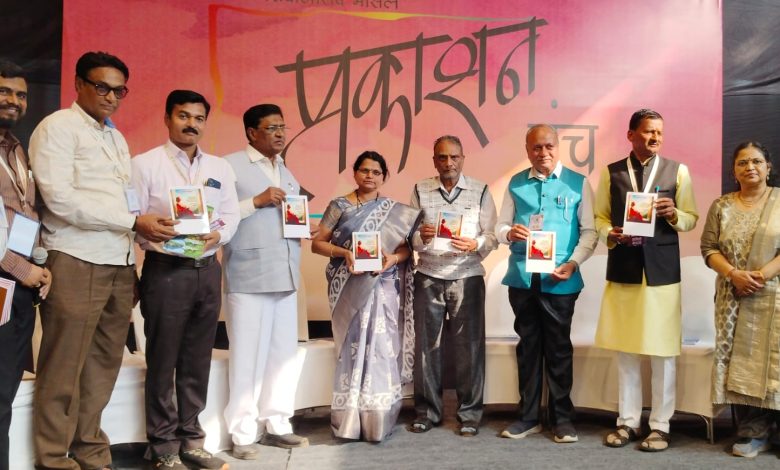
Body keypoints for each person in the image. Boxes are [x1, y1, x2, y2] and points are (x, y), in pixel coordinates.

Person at [29, 51, 177, 470]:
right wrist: (133, 222)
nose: (111, 97)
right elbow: (59, 199)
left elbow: (126, 202)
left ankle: (91, 449)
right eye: (102, 87)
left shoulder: (115, 137)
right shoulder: (58, 127)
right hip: (76, 257)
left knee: (103, 365)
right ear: (79, 84)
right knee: (64, 365)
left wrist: (136, 247)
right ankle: (53, 458)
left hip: (118, 261)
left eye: (119, 90)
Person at [131, 90, 239, 470]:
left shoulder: (219, 167)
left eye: (198, 118)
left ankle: (192, 439)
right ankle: (163, 446)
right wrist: (147, 229)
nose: (191, 124)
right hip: (166, 271)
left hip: (207, 270)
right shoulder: (144, 164)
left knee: (197, 360)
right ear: (167, 118)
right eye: (183, 116)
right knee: (162, 361)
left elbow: (230, 215)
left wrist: (218, 235)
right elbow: (133, 217)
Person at [595, 109, 698, 452]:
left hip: (662, 273)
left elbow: (691, 217)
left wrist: (675, 214)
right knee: (627, 351)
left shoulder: (677, 171)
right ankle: (627, 422)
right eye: (648, 131)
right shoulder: (611, 173)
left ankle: (660, 425)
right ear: (631, 134)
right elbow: (599, 218)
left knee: (662, 352)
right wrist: (610, 233)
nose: (655, 138)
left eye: (659, 133)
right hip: (624, 269)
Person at [496, 124, 597, 443]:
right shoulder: (516, 183)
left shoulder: (578, 183)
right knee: (528, 348)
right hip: (523, 277)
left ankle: (562, 419)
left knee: (558, 348)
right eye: (536, 147)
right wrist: (508, 233)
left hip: (560, 280)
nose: (543, 153)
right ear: (527, 151)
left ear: (558, 146)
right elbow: (500, 226)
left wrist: (573, 263)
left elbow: (589, 232)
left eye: (549, 146)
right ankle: (528, 417)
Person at [311, 151, 421, 442]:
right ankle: (349, 418)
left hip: (383, 286)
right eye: (364, 170)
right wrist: (345, 253)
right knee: (354, 347)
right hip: (350, 286)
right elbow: (317, 244)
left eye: (376, 172)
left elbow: (406, 250)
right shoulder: (340, 206)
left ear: (384, 176)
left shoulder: (395, 210)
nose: (369, 176)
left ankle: (378, 417)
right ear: (355, 173)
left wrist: (392, 259)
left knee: (383, 347)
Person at [222, 104, 308, 460]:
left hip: (284, 272)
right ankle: (243, 433)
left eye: (282, 127)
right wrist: (255, 202)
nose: (280, 133)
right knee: (247, 357)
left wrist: (304, 227)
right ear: (251, 132)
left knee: (282, 356)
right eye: (272, 127)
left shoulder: (285, 171)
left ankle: (277, 424)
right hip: (248, 275)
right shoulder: (229, 166)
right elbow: (217, 216)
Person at [407, 135, 497, 437]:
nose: (449, 163)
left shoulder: (480, 190)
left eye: (454, 157)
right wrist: (421, 236)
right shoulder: (420, 189)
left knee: (469, 349)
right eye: (442, 157)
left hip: (467, 276)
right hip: (428, 275)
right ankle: (427, 413)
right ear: (434, 160)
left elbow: (492, 236)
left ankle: (469, 414)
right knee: (425, 348)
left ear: (463, 158)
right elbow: (410, 238)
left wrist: (475, 244)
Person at [701, 141, 780, 458]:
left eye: (756, 161)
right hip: (733, 297)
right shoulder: (721, 205)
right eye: (742, 162)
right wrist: (734, 274)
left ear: (768, 167)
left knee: (775, 359)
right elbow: (708, 249)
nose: (750, 167)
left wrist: (760, 276)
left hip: (775, 295)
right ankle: (752, 431)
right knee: (740, 359)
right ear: (734, 171)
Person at [0, 60, 51, 470]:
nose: (14, 100)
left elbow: (25, 212)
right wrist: (23, 270)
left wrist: (38, 263)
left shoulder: (17, 147)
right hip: (7, 276)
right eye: (4, 91)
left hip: (17, 282)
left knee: (5, 387)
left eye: (20, 94)